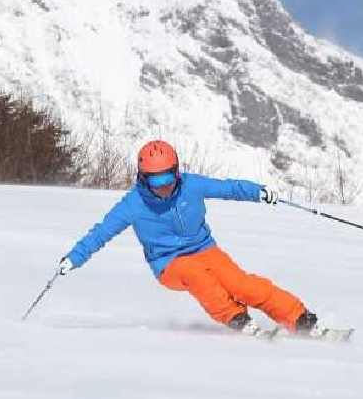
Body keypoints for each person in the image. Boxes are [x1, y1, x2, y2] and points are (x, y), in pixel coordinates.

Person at [57, 140, 317, 336]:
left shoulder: (191, 185)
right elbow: (101, 233)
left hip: (204, 248)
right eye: (155, 180)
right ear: (143, 178)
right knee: (196, 273)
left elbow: (228, 188)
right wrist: (74, 258)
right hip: (168, 263)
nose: (164, 186)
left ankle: (299, 318)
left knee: (241, 285)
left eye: (168, 177)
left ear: (177, 172)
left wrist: (258, 192)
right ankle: (236, 318)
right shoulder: (133, 204)